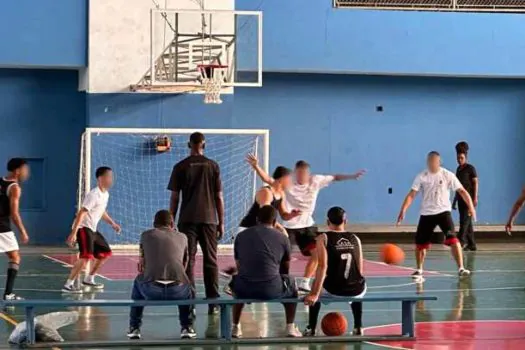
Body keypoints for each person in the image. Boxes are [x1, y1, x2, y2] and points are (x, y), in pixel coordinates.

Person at [247, 155, 365, 291]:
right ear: (295, 172)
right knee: (282, 256)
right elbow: (268, 180)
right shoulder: (288, 183)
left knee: (317, 253)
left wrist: (352, 176)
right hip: (289, 226)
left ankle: (305, 281)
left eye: (303, 173)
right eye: (298, 173)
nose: (301, 176)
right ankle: (277, 279)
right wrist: (256, 166)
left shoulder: (316, 180)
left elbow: (335, 177)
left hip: (307, 226)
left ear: (308, 173)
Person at [168, 132, 224, 315]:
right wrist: (221, 222)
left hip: (187, 220)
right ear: (204, 144)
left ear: (189, 144)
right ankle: (213, 301)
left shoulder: (180, 166)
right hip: (209, 220)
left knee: (188, 261)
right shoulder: (213, 165)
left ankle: (189, 301)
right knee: (211, 260)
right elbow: (219, 197)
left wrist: (171, 220)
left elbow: (175, 197)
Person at [397, 151, 476, 279]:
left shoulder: (447, 175)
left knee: (454, 240)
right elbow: (412, 194)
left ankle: (461, 268)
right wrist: (403, 210)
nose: (432, 163)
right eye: (430, 161)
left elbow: (462, 191)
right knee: (420, 244)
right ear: (428, 162)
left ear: (439, 162)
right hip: (427, 213)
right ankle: (419, 269)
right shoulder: (422, 176)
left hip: (443, 212)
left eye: (435, 161)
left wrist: (471, 206)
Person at [230, 205, 302, 338]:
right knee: (291, 283)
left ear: (257, 220)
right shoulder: (283, 238)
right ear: (275, 222)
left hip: (244, 289)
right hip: (271, 289)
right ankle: (290, 327)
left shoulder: (240, 236)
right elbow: (285, 270)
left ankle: (235, 327)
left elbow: (239, 265)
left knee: (237, 281)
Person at [127, 210, 195, 340]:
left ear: (154, 224)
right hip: (178, 291)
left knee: (138, 281)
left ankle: (134, 328)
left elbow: (141, 266)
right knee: (188, 287)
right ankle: (187, 327)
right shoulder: (183, 237)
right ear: (172, 224)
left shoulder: (145, 235)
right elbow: (184, 265)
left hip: (151, 291)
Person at [303, 207, 366, 336]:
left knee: (315, 287)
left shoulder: (323, 238)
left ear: (327, 222)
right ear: (345, 221)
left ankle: (311, 328)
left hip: (334, 289)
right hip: (357, 289)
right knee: (358, 284)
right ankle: (358, 326)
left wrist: (314, 293)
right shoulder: (355, 238)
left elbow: (322, 267)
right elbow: (360, 269)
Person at [63, 166, 121, 293]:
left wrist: (112, 223)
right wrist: (73, 233)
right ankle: (68, 285)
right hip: (83, 228)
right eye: (109, 177)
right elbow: (82, 213)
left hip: (92, 229)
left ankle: (89, 278)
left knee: (105, 253)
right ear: (101, 178)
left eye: (112, 177)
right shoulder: (94, 195)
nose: (111, 179)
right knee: (85, 256)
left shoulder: (105, 194)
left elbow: (101, 211)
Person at [239, 165, 301, 235]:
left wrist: (291, 215)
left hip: (261, 230)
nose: (291, 183)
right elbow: (266, 216)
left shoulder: (281, 194)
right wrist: (281, 228)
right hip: (248, 229)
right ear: (282, 179)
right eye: (290, 180)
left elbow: (284, 215)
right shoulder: (266, 193)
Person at [0, 158, 30, 301]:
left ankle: (8, 294)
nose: (26, 172)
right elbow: (14, 213)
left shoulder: (0, 181)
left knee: (14, 256)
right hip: (2, 227)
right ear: (17, 171)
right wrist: (23, 231)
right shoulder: (14, 188)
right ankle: (8, 294)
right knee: (15, 257)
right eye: (25, 169)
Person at [452, 141, 478, 251]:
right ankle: (472, 244)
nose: (459, 160)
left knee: (465, 221)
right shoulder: (458, 169)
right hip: (460, 199)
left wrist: (475, 198)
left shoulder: (471, 168)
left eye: (461, 158)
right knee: (467, 222)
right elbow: (457, 186)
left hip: (469, 200)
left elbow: (476, 183)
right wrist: (454, 200)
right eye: (458, 158)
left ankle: (460, 240)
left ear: (465, 157)